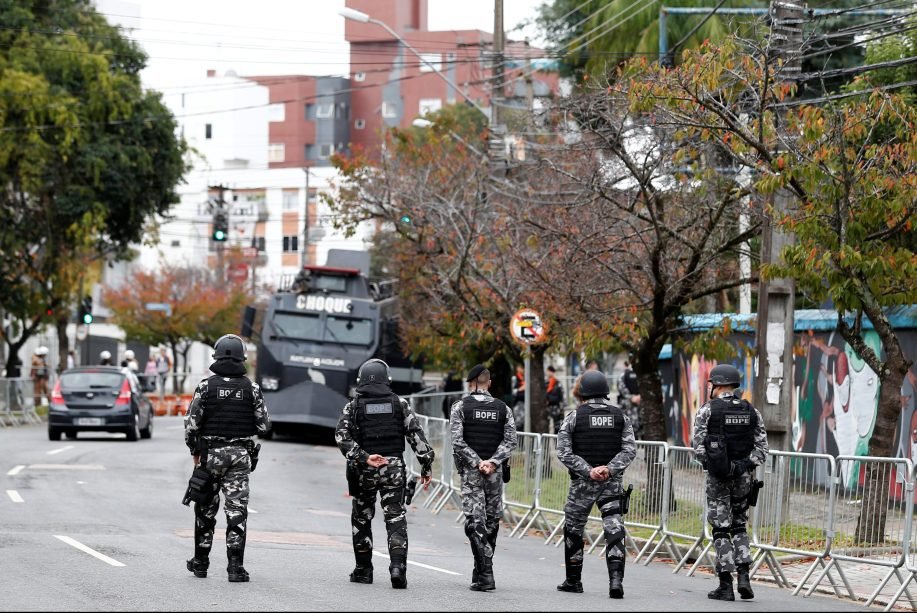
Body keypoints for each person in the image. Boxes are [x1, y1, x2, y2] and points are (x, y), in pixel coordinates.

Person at [335, 358, 435, 589]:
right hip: (393, 468)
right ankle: (398, 568)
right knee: (395, 516)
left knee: (361, 517)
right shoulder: (399, 404)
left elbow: (341, 437)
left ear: (361, 380)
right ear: (387, 379)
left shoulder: (353, 406)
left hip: (365, 469)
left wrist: (363, 457)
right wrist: (426, 465)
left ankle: (363, 571)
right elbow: (417, 437)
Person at [184, 334, 271, 582]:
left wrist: (195, 452)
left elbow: (191, 425)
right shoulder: (252, 389)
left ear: (216, 356)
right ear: (243, 358)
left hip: (210, 455)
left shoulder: (205, 387)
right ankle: (235, 567)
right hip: (240, 457)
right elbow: (264, 426)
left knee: (205, 508)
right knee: (236, 509)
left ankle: (200, 563)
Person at [556, 369, 636, 599]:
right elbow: (629, 450)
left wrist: (588, 471)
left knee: (573, 528)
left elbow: (563, 452)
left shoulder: (574, 417)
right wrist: (609, 469)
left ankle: (573, 580)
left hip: (582, 485)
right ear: (605, 391)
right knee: (614, 528)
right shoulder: (620, 416)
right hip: (611, 484)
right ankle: (616, 581)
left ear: (583, 392)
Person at [692, 364, 768, 601]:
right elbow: (761, 450)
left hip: (718, 478)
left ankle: (726, 585)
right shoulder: (751, 411)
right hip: (743, 478)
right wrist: (742, 466)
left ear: (716, 384)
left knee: (721, 528)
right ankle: (744, 577)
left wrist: (719, 467)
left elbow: (698, 449)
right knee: (739, 525)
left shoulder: (707, 410)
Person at [449, 364, 517, 592]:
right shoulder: (503, 408)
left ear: (471, 383)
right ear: (489, 383)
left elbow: (457, 441)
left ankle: (485, 573)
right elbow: (511, 441)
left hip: (472, 473)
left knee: (475, 521)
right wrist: (493, 462)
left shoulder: (460, 407)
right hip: (495, 474)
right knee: (491, 522)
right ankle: (480, 571)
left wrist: (478, 462)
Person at [617, 360, 642, 439]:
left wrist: (640, 396)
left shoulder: (641, 373)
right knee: (629, 428)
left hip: (640, 405)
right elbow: (621, 387)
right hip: (628, 406)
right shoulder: (623, 375)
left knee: (641, 427)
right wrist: (632, 397)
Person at [546, 366, 565, 434]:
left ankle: (555, 440)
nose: (549, 373)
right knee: (546, 425)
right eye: (548, 371)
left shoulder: (557, 383)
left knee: (557, 426)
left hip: (556, 406)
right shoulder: (546, 382)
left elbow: (562, 396)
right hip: (547, 407)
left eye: (550, 371)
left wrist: (562, 408)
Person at [512, 365, 526, 430]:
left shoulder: (524, 378)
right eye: (522, 368)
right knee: (518, 424)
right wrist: (521, 388)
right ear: (518, 368)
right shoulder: (515, 378)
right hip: (517, 404)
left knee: (522, 424)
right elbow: (512, 391)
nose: (523, 370)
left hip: (524, 403)